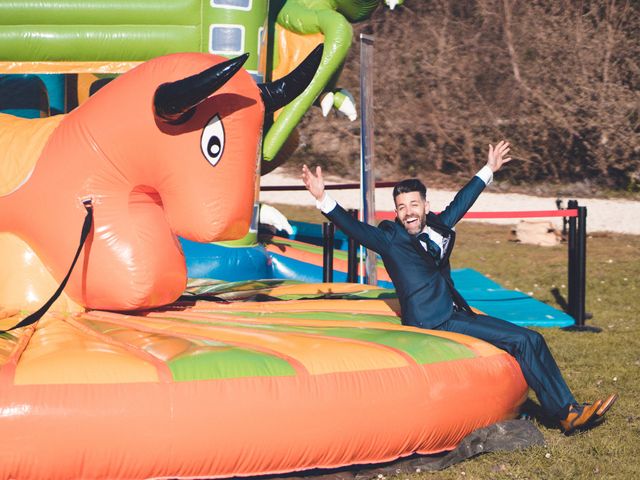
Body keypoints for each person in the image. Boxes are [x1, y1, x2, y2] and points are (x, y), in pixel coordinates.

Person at [301, 141, 617, 434]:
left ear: (426, 205)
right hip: (431, 320)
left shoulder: (440, 225)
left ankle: (570, 409)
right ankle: (565, 413)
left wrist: (489, 169)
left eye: (413, 204)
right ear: (396, 213)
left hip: (454, 312)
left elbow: (463, 199)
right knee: (524, 340)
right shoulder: (390, 239)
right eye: (401, 207)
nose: (408, 211)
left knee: (531, 338)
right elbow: (353, 228)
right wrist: (322, 199)